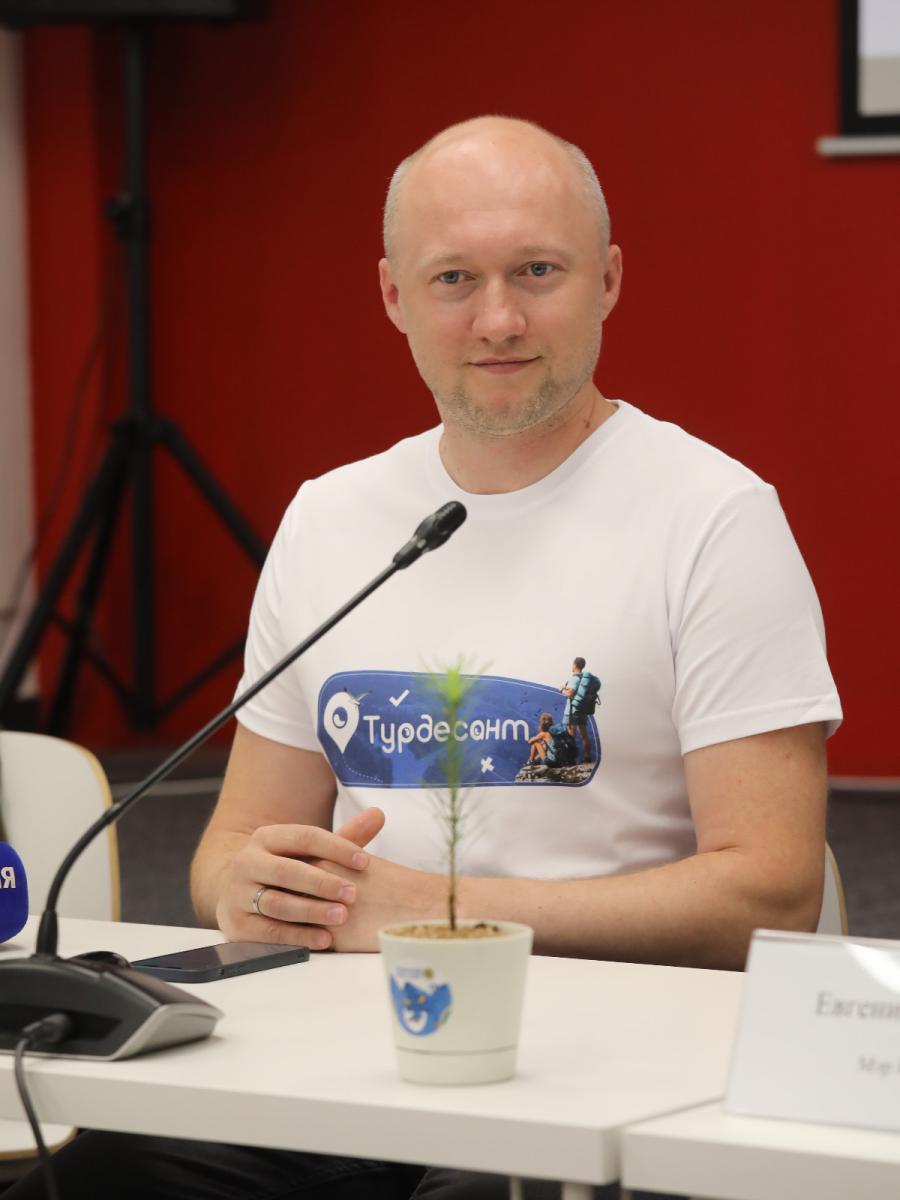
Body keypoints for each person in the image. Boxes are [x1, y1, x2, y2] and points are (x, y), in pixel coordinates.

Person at [8, 115, 841, 1200]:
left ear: (608, 281)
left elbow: (771, 895)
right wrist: (252, 888)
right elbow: (226, 853)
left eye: (537, 271)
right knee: (93, 1178)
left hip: (607, 1061)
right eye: (454, 279)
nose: (499, 319)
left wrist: (440, 915)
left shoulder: (714, 519)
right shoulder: (333, 519)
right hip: (342, 1050)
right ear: (394, 295)